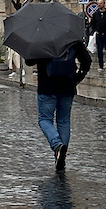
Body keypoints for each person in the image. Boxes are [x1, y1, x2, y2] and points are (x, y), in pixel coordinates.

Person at [25, 40, 91, 172]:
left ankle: (57, 145)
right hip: (67, 85)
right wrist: (77, 77)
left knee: (44, 119)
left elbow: (29, 61)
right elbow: (86, 61)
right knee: (63, 121)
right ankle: (61, 156)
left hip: (47, 87)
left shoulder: (42, 38)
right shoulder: (71, 37)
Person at [88, 0, 106, 70]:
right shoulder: (95, 14)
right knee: (99, 50)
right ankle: (100, 65)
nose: (99, 5)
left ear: (104, 4)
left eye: (100, 3)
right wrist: (94, 31)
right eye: (98, 4)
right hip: (99, 35)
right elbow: (92, 24)